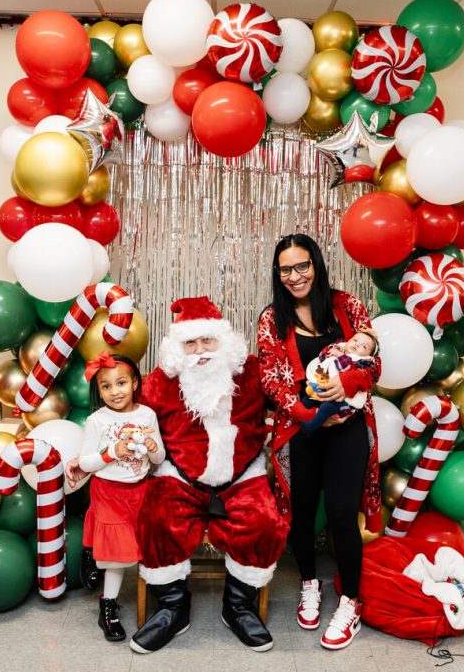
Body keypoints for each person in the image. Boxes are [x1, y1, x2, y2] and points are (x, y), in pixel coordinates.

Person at [129, 296, 289, 654]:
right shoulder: (160, 381)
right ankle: (173, 607)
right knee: (157, 519)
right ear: (176, 348)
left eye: (208, 341)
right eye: (190, 343)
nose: (200, 351)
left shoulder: (252, 371)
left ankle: (238, 607)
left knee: (264, 522)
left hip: (242, 474)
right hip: (180, 475)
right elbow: (134, 418)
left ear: (225, 341)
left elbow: (287, 400)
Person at [256, 234, 382, 651]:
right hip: (300, 429)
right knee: (303, 511)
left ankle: (351, 603)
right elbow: (271, 381)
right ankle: (310, 583)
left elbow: (374, 361)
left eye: (302, 266)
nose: (295, 276)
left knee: (344, 513)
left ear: (317, 264)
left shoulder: (349, 306)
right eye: (286, 269)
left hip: (349, 427)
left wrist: (345, 383)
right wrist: (311, 414)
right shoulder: (272, 319)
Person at [64, 352, 165, 643]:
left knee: (139, 545)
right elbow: (85, 463)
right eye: (106, 386)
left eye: (121, 383)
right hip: (108, 492)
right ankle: (107, 606)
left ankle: (93, 554)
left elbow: (158, 458)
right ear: (99, 390)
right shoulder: (97, 420)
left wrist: (151, 445)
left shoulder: (147, 415)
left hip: (139, 491)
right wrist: (111, 453)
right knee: (118, 556)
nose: (114, 391)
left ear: (135, 383)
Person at [300, 329, 378, 435]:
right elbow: (321, 358)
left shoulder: (361, 362)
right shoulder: (339, 347)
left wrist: (338, 355)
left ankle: (310, 426)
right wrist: (330, 351)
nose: (357, 345)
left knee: (326, 407)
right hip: (325, 390)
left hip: (342, 402)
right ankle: (301, 417)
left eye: (364, 346)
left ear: (369, 356)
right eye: (355, 340)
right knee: (307, 400)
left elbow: (343, 365)